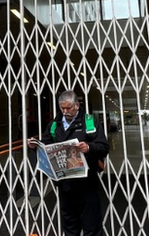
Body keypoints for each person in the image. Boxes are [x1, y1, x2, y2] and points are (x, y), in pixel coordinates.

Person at [28, 90, 109, 236]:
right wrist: (35, 146)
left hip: (87, 183)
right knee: (70, 225)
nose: (65, 111)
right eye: (62, 108)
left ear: (77, 105)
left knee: (92, 225)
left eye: (68, 108)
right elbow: (45, 147)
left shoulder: (90, 122)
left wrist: (89, 147)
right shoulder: (54, 125)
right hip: (65, 185)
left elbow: (104, 147)